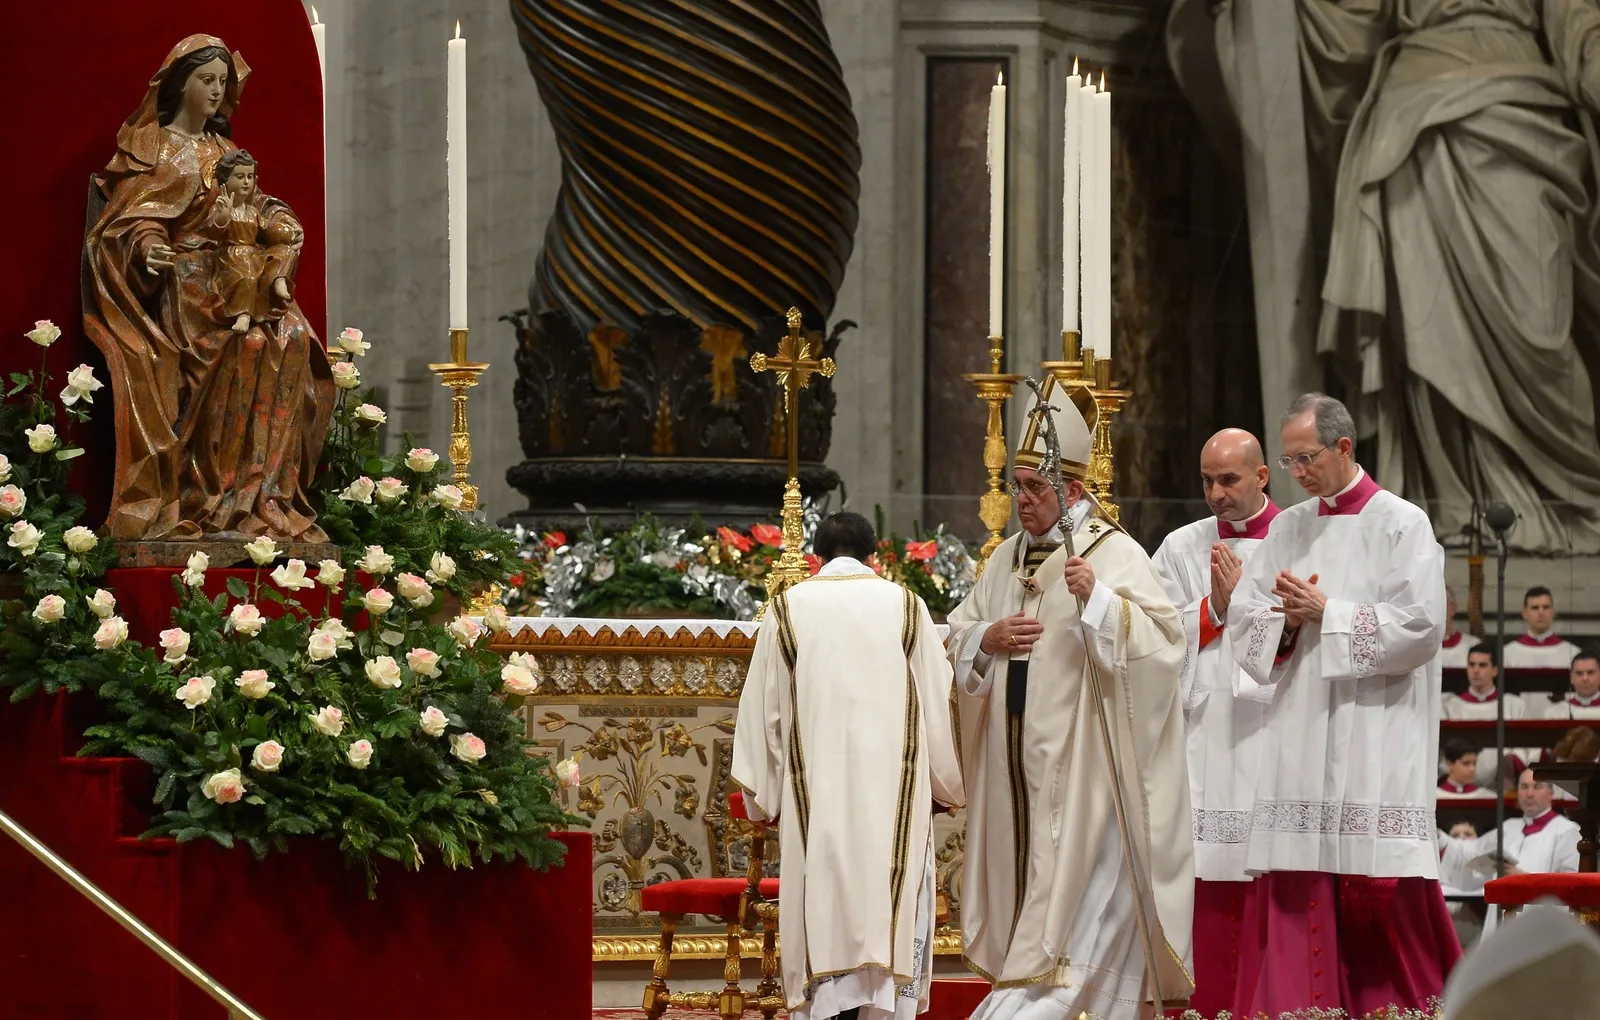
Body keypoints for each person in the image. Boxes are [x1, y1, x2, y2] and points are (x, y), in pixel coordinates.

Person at [945, 376, 1193, 1020]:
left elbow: (1166, 644)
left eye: (1034, 488)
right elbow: (960, 630)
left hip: (1081, 771)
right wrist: (986, 638)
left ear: (1074, 490)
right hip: (1012, 759)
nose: (1020, 500)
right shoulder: (1003, 559)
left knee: (1075, 904)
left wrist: (1101, 602)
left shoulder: (1112, 554)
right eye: (1016, 486)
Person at [1227, 392, 1459, 1016]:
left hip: (1375, 732)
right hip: (1301, 732)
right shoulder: (1289, 527)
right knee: (1296, 879)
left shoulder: (1401, 523)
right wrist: (1289, 626)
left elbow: (1421, 627)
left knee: (1376, 884)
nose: (1296, 474)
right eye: (1289, 461)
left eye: (1306, 459)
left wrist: (1327, 614)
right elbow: (1246, 624)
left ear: (1344, 448)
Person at [82, 34, 334, 542]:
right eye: (206, 80)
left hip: (237, 274)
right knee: (242, 345)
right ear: (180, 83)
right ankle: (206, 492)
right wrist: (148, 248)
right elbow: (131, 218)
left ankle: (259, 496)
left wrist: (280, 220)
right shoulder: (152, 147)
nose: (217, 91)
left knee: (290, 341)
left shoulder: (226, 150)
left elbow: (257, 203)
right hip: (186, 280)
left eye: (223, 81)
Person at [732, 511, 964, 1020]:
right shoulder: (906, 606)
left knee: (825, 892)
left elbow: (762, 711)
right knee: (887, 896)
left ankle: (825, 1006)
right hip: (890, 796)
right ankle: (881, 1005)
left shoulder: (788, 608)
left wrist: (762, 796)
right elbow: (938, 697)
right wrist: (945, 784)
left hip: (818, 791)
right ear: (874, 556)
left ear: (815, 556)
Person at [1151, 427, 1277, 1017]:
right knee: (1207, 886)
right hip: (1205, 738)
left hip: (1273, 733)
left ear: (1262, 476)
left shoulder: (1298, 537)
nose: (1216, 494)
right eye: (1207, 481)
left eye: (1229, 480)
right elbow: (1151, 639)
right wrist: (1213, 609)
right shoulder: (1181, 547)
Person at [1440, 769, 1581, 933]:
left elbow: (1571, 885)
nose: (1529, 793)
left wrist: (1524, 879)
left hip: (1540, 923)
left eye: (1537, 787)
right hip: (1501, 918)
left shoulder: (1568, 831)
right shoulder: (1508, 828)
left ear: (1551, 793)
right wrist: (1441, 839)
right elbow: (1470, 851)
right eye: (1524, 786)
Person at [205, 149, 298, 334]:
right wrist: (223, 216)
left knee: (286, 250)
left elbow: (266, 230)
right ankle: (243, 315)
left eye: (250, 176)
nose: (246, 182)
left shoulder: (253, 211)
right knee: (248, 277)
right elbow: (212, 231)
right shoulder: (221, 207)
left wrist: (287, 232)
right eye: (240, 176)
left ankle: (278, 279)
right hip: (232, 257)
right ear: (225, 180)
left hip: (253, 255)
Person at [1443, 644, 1530, 787]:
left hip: (1503, 784)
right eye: (1472, 665)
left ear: (1495, 670)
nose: (1476, 670)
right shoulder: (1450, 706)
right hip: (1460, 785)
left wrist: (1510, 762)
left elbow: (1525, 746)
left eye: (1482, 665)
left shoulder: (1514, 705)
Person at [1502, 588, 1583, 670]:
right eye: (1535, 608)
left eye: (1546, 607)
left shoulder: (1573, 654)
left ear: (1553, 612)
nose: (1541, 613)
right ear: (1524, 613)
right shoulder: (1507, 654)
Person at [1542, 652, 1600, 721]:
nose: (1585, 678)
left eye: (1590, 672)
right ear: (1571, 678)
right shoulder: (1554, 712)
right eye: (1579, 673)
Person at [1438, 588, 1471, 669]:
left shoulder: (1472, 646)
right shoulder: (1417, 649)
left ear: (1453, 608)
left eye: (1441, 604)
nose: (1437, 611)